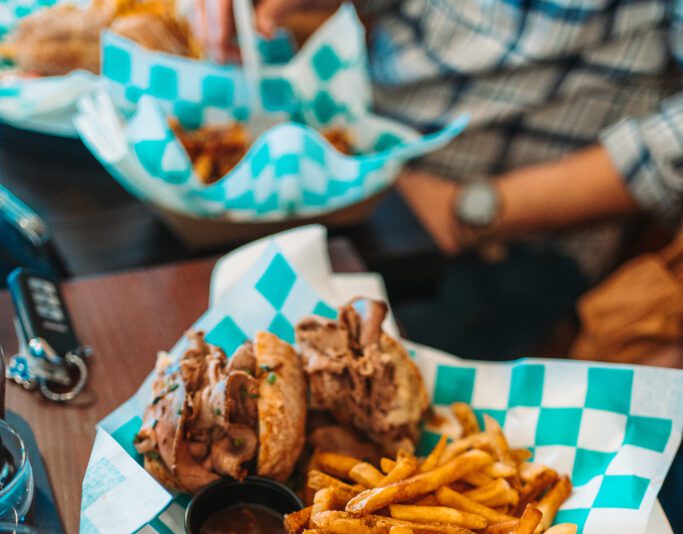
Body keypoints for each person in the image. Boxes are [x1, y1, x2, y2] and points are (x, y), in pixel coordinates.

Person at [195, 0, 683, 357]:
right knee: (203, 311)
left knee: (334, 379)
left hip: (506, 232)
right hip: (361, 159)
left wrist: (471, 209)